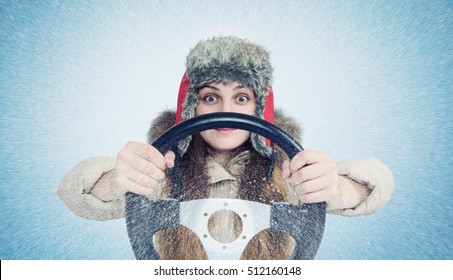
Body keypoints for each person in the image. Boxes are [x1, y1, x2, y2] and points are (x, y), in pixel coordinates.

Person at [57, 36, 394, 259]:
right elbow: (77, 193)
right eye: (210, 97)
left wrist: (332, 187)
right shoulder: (161, 169)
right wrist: (121, 178)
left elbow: (375, 185)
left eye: (242, 97)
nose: (226, 111)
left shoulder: (290, 170)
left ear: (259, 108)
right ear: (191, 107)